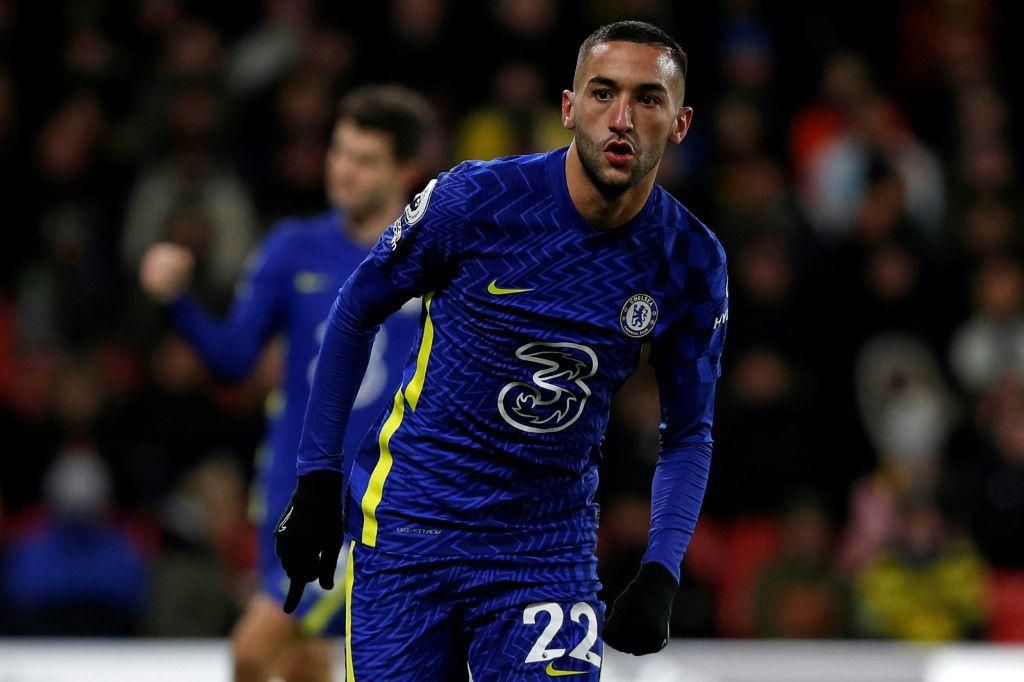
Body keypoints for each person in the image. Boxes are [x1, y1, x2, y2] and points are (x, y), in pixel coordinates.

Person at [275, 21, 729, 680]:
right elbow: (355, 310)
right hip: (413, 529)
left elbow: (687, 430)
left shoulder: (689, 259)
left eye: (648, 99)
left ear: (680, 123)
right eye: (603, 93)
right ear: (569, 107)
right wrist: (317, 478)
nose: (622, 119)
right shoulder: (475, 200)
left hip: (545, 552)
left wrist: (661, 569)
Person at [139, 85, 434, 682]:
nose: (342, 170)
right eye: (338, 151)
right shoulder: (292, 248)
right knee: (303, 666)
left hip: (377, 499)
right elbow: (232, 360)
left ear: (405, 171)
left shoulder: (431, 260)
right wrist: (178, 301)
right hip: (288, 490)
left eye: (364, 159)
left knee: (253, 651)